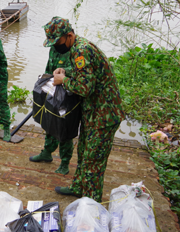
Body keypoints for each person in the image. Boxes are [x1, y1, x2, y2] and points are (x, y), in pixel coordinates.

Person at [44, 17, 125, 202]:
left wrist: (63, 80)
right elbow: (86, 74)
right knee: (83, 153)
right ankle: (78, 187)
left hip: (104, 115)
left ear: (69, 35)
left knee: (93, 163)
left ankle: (91, 205)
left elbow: (84, 88)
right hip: (93, 112)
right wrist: (65, 71)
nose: (56, 46)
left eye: (57, 42)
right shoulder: (77, 48)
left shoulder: (81, 51)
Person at [29, 24, 74, 175]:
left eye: (56, 41)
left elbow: (79, 75)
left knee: (64, 129)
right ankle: (47, 152)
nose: (55, 45)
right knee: (49, 122)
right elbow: (49, 69)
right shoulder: (54, 48)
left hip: (69, 95)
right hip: (54, 91)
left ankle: (65, 162)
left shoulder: (75, 51)